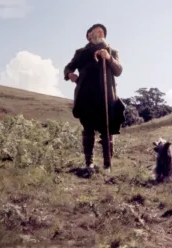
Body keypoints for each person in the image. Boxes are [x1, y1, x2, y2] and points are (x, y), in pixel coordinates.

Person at [64, 23, 126, 172]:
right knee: (88, 129)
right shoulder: (80, 53)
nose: (100, 33)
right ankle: (89, 163)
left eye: (102, 32)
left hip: (106, 96)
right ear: (89, 35)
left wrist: (109, 58)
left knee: (107, 130)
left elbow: (118, 71)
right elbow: (69, 67)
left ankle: (107, 165)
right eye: (96, 31)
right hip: (86, 96)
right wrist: (69, 74)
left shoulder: (112, 51)